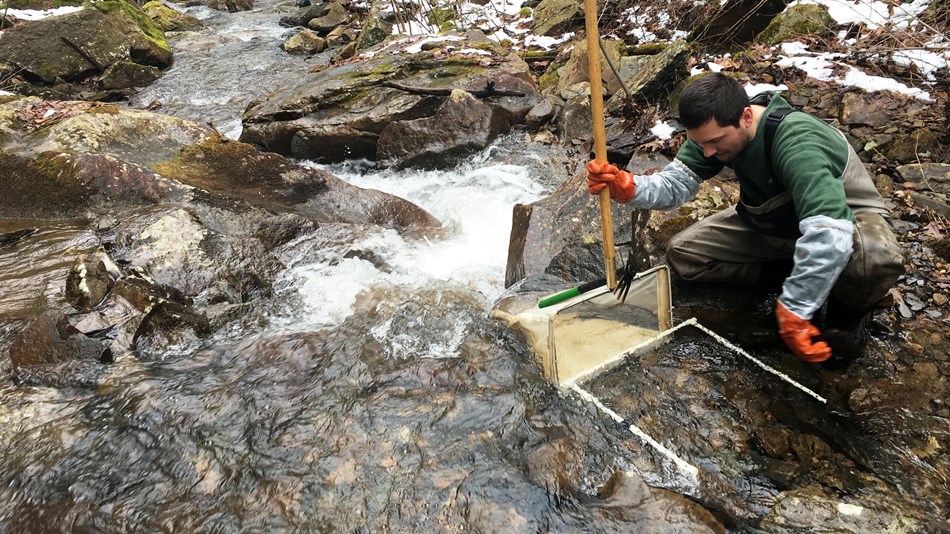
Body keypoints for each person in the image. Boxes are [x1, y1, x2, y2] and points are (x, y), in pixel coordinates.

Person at [587, 72, 904, 365]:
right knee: (685, 255)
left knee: (873, 259)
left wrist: (795, 310)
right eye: (700, 143)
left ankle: (846, 318)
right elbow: (674, 186)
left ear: (747, 117)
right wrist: (628, 187)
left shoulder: (797, 142)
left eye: (715, 142)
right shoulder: (713, 132)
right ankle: (803, 279)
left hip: (844, 222)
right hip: (775, 222)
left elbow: (828, 233)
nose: (707, 152)